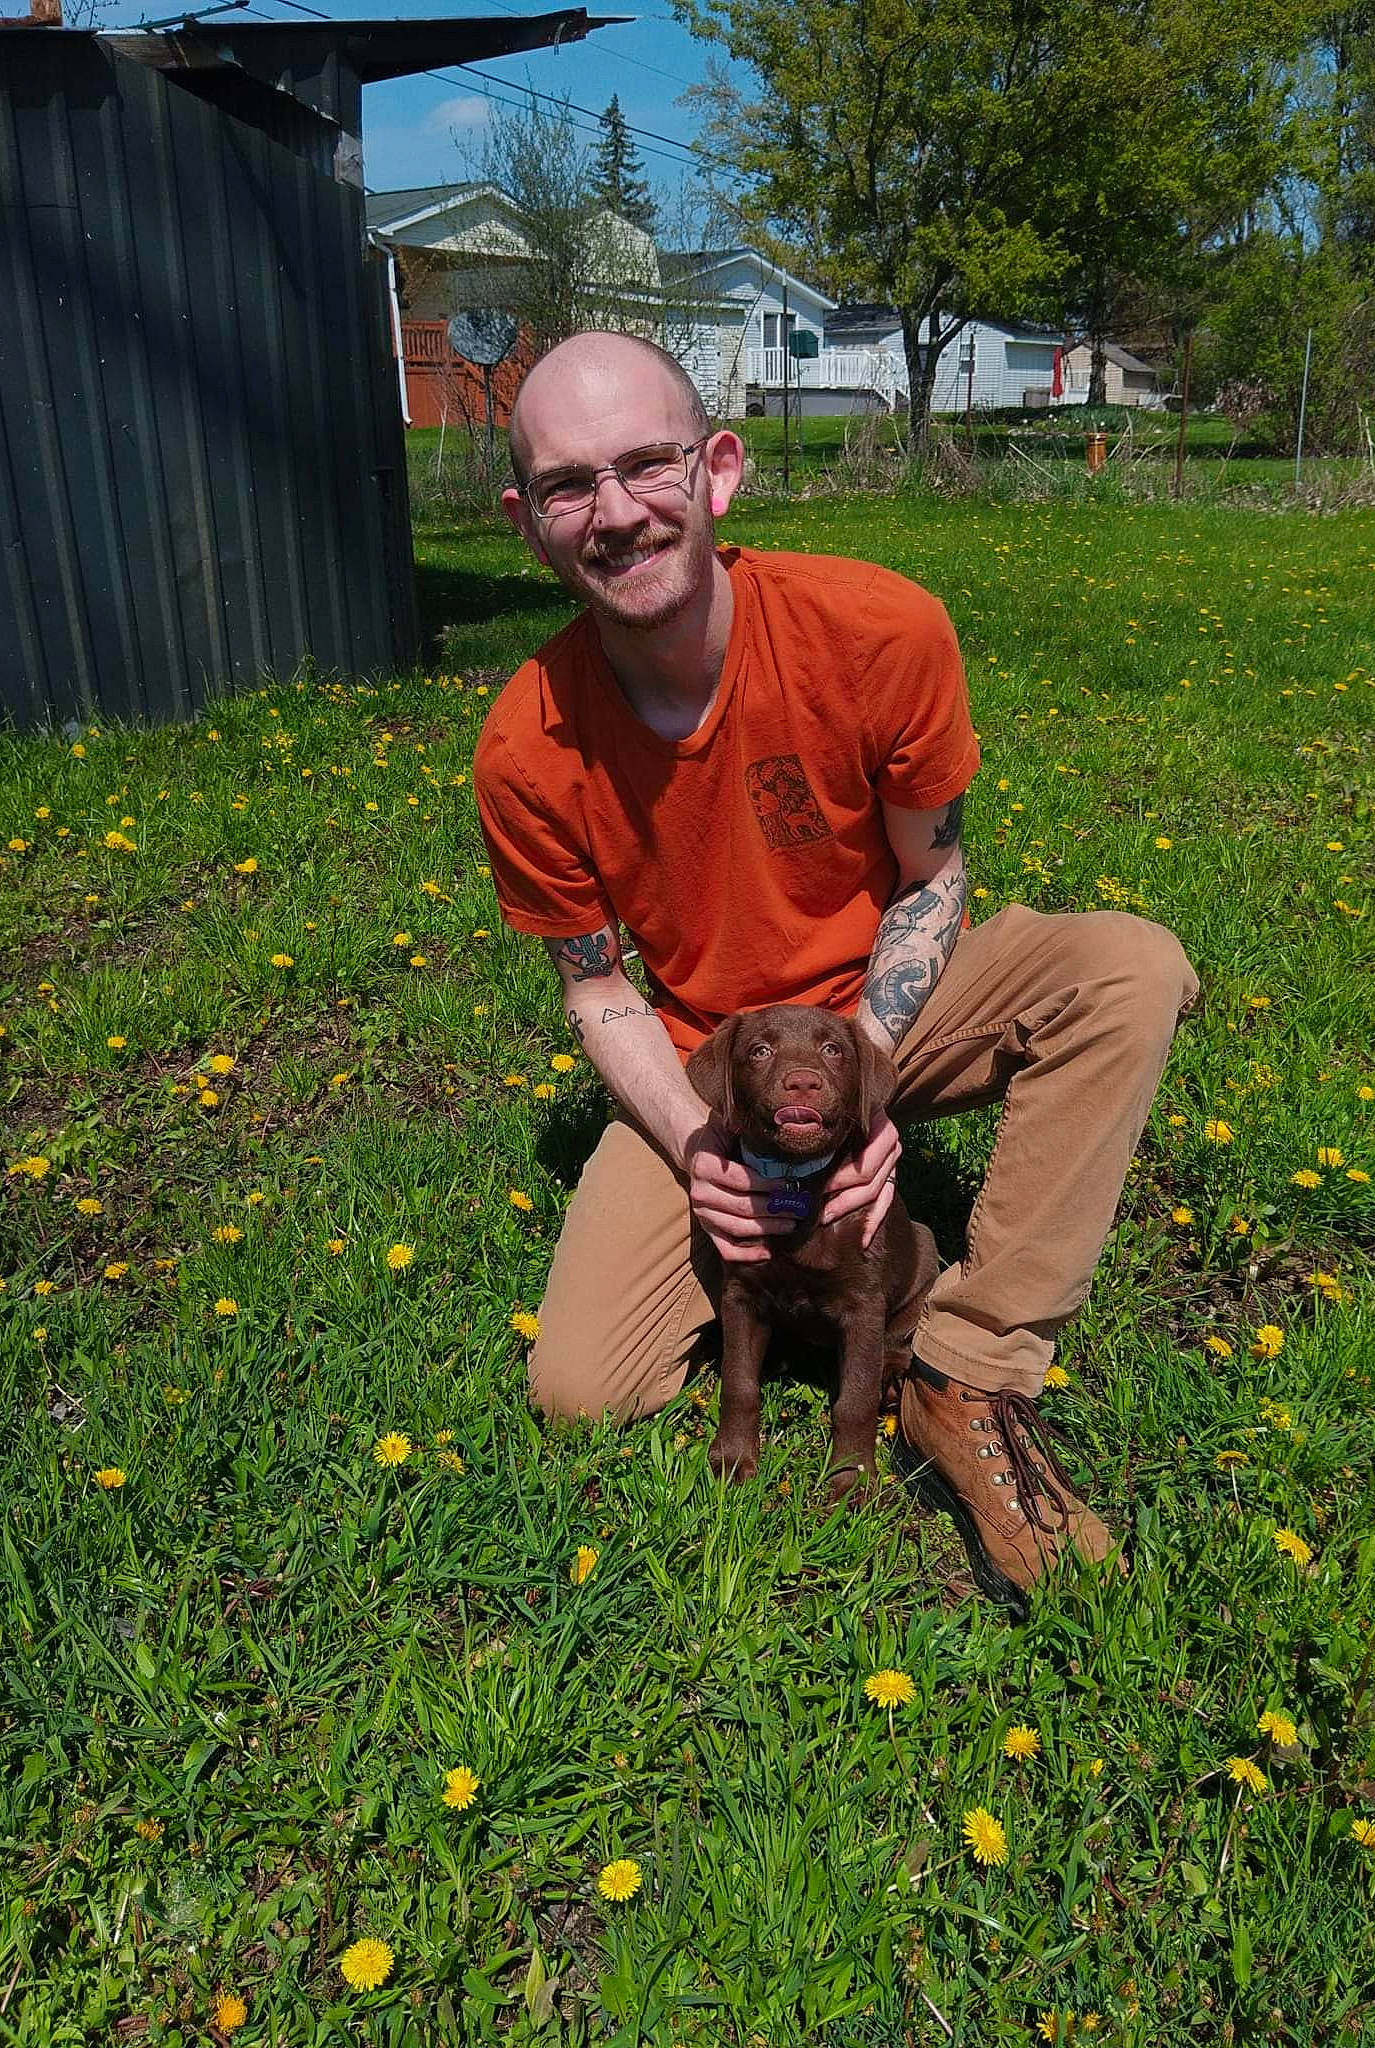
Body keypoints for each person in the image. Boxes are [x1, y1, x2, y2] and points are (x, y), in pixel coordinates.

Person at [473, 330, 1201, 1606]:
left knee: (1128, 968)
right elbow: (597, 988)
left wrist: (864, 1069)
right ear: (527, 520)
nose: (616, 512)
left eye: (647, 464)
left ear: (718, 469)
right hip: (717, 1057)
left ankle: (968, 1368)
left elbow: (935, 877)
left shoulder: (875, 630)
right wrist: (702, 1145)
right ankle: (787, 1278)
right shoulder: (525, 748)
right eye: (568, 484)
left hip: (887, 1004)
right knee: (584, 1386)